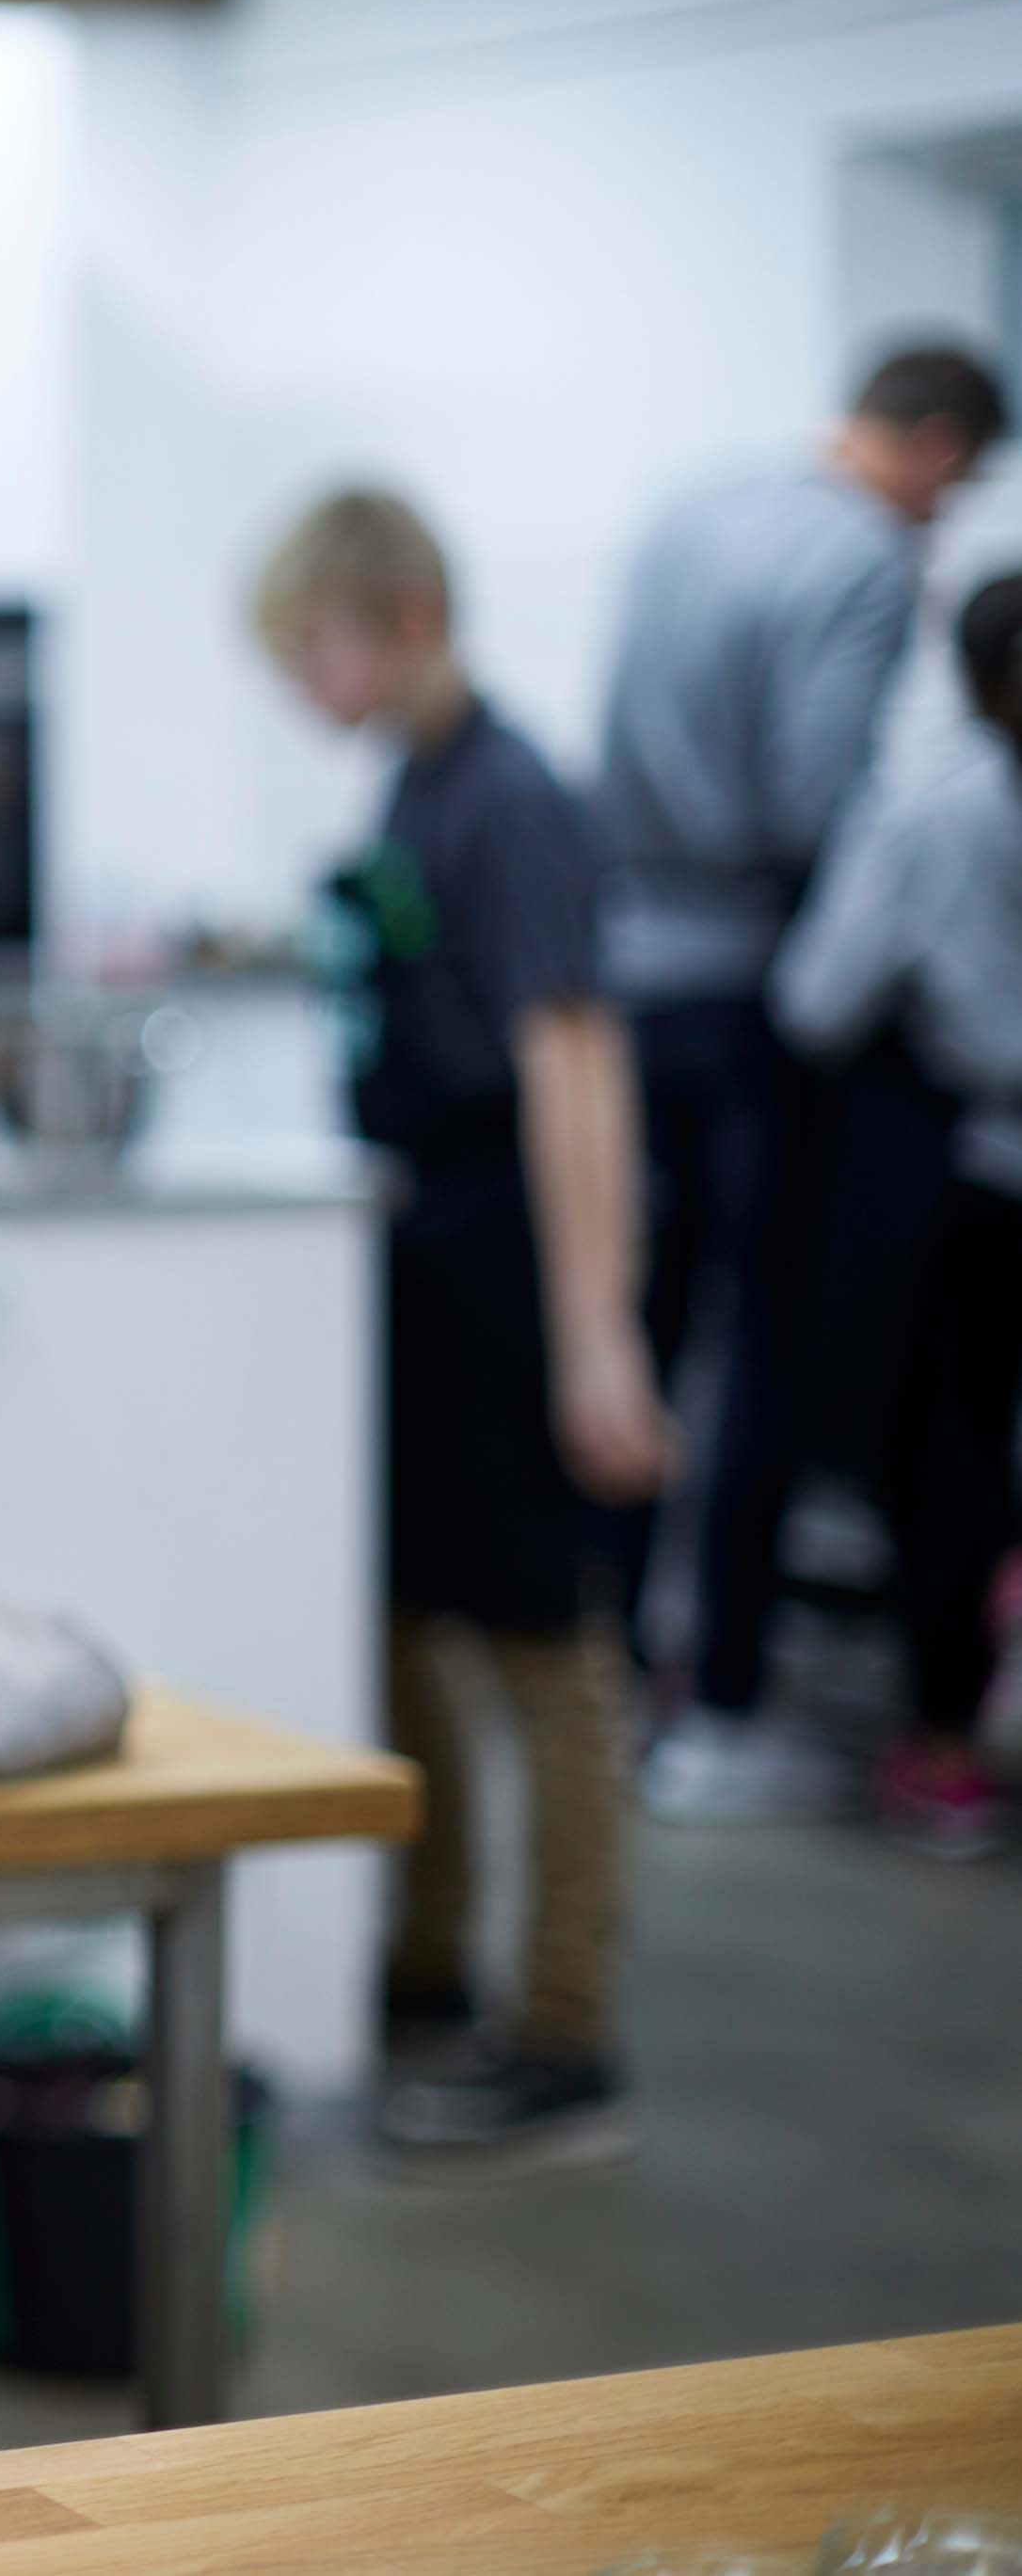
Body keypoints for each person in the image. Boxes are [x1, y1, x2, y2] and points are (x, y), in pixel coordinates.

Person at [254, 489, 674, 2168]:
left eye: (311, 645)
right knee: (414, 1622)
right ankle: (426, 1966)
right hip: (430, 1267)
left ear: (406, 617)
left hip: (514, 1268)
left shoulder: (514, 801)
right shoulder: (416, 785)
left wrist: (596, 1332)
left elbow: (575, 1061)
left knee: (546, 1652)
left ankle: (565, 2027)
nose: (298, 681)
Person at [598, 343, 1005, 1819]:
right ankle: (724, 1698)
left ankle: (618, 1669)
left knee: (641, 1335)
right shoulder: (859, 562)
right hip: (749, 997)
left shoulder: (691, 510)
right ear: (934, 445)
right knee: (758, 1348)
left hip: (633, 975)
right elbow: (813, 802)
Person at [770, 573, 1022, 1860]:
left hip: (969, 1177)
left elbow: (817, 1000)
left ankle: (940, 1744)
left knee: (947, 1464)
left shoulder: (927, 812)